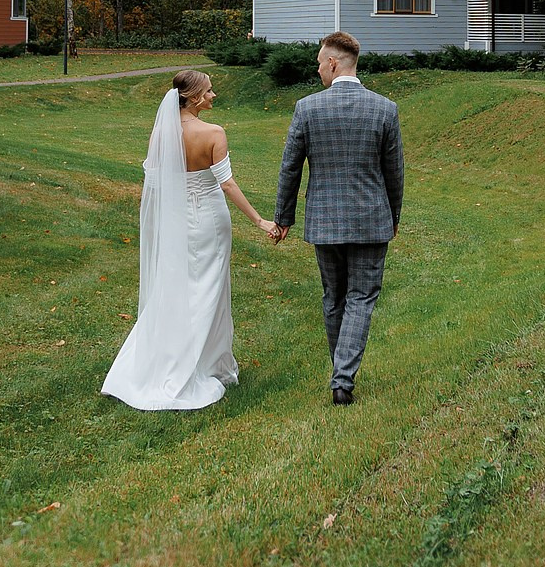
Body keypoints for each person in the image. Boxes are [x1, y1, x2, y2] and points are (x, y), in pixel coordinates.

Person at [102, 70, 277, 411]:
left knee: (176, 288)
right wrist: (259, 220)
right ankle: (205, 365)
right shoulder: (213, 133)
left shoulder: (161, 133)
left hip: (177, 221)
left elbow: (155, 184)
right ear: (194, 97)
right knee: (209, 290)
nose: (213, 96)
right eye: (209, 91)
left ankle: (173, 359)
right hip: (209, 220)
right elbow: (227, 184)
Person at [271, 31, 404, 405]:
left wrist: (284, 217)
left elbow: (290, 167)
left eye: (319, 63)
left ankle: (340, 375)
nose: (317, 70)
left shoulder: (307, 108)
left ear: (333, 62)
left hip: (325, 220)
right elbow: (394, 172)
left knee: (334, 296)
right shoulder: (385, 109)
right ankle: (342, 380)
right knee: (361, 297)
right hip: (371, 218)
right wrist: (393, 215)